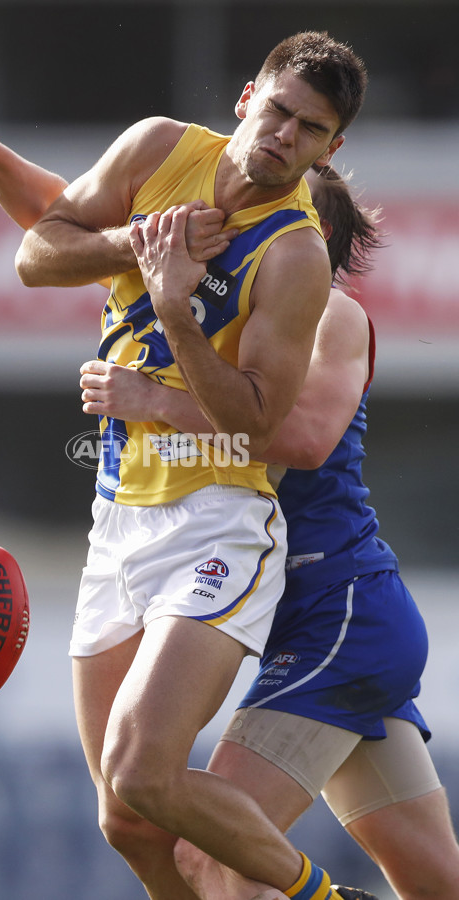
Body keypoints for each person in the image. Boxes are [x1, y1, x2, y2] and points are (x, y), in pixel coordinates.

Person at [0, 31, 377, 900]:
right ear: (248, 97)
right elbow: (38, 253)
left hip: (218, 522)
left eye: (309, 129)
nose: (284, 135)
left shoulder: (294, 253)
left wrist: (173, 304)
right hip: (116, 520)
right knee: (124, 820)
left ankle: (322, 896)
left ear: (330, 148)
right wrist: (140, 247)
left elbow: (256, 419)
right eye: (278, 110)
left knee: (141, 769)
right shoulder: (159, 148)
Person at [80, 165, 459, 900]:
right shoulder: (225, 324)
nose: (243, 214)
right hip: (315, 625)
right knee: (437, 884)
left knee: (208, 861)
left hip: (337, 616)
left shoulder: (330, 316)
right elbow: (72, 218)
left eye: (278, 208)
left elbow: (309, 437)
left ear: (309, 241)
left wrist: (150, 398)